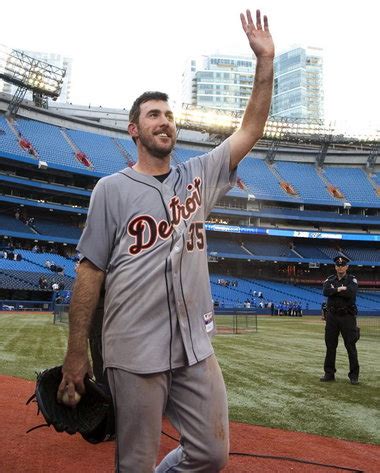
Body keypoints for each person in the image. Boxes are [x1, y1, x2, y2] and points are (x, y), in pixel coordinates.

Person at [58, 8, 274, 472]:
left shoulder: (199, 175)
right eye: (153, 114)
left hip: (195, 345)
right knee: (133, 461)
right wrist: (77, 351)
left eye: (169, 115)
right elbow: (89, 270)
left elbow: (251, 128)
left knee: (211, 454)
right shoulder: (111, 189)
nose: (165, 121)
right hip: (134, 349)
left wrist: (265, 61)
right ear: (134, 129)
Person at [320, 256, 360, 385]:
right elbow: (325, 291)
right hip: (332, 316)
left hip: (347, 316)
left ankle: (354, 375)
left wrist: (334, 291)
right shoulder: (330, 279)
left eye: (343, 265)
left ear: (347, 267)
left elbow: (351, 293)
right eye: (338, 265)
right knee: (330, 346)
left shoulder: (352, 279)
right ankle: (329, 373)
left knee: (350, 346)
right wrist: (339, 289)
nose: (340, 267)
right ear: (335, 267)